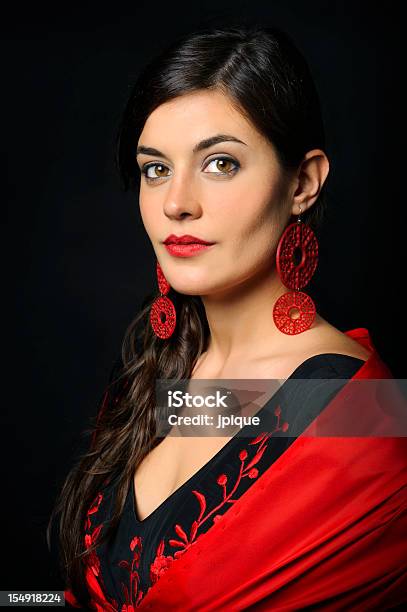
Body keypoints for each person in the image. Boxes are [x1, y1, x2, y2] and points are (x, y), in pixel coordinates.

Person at [48, 24, 407, 610]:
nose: (176, 203)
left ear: (303, 182)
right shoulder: (172, 378)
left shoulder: (366, 412)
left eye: (219, 163)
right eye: (155, 168)